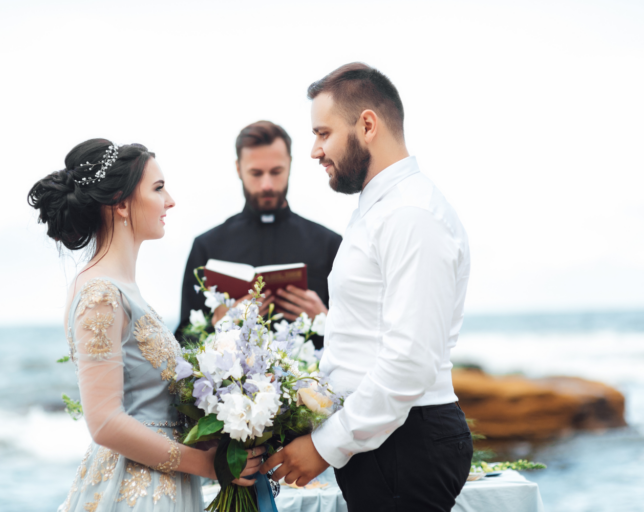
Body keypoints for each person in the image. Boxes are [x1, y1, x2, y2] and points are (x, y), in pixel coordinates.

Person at [261, 64, 474, 511]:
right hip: (386, 441)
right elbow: (367, 333)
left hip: (405, 443)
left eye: (323, 133)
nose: (316, 151)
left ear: (368, 125)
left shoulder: (410, 215)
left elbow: (409, 361)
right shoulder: (379, 209)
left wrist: (326, 445)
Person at [28, 139, 265, 512]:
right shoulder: (101, 295)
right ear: (121, 204)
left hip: (164, 481)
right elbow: (105, 422)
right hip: (137, 491)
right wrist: (208, 465)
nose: (170, 201)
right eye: (158, 188)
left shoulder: (123, 289)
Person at [177, 121, 342, 348]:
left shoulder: (329, 244)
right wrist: (221, 324)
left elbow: (360, 335)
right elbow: (184, 341)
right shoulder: (207, 246)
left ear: (290, 165)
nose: (267, 185)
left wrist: (326, 318)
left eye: (276, 172)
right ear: (238, 169)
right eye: (256, 173)